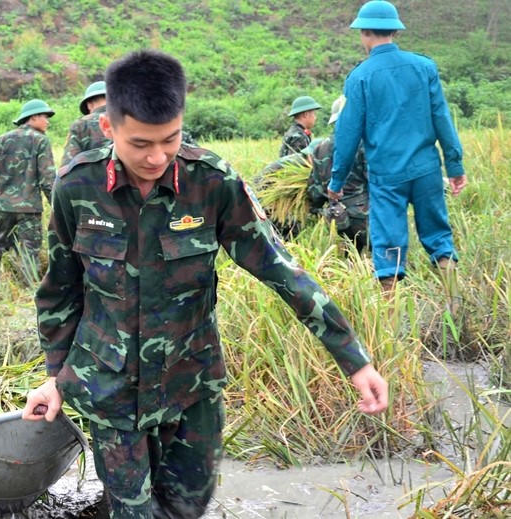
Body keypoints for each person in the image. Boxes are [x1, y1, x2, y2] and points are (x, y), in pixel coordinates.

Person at [22, 50, 388, 518]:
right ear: (109, 128)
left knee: (187, 507)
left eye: (169, 140)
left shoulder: (212, 182)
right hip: (108, 384)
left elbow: (281, 270)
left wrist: (353, 359)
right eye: (140, 144)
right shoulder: (75, 188)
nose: (156, 156)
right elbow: (60, 290)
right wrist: (54, 376)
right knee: (131, 512)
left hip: (190, 381)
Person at [329, 1, 465, 300]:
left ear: (364, 34)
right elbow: (442, 118)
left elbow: (347, 136)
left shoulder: (360, 77)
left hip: (387, 177)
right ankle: (456, 306)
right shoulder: (424, 67)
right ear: (394, 30)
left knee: (389, 246)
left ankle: (390, 326)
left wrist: (336, 182)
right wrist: (455, 167)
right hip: (427, 169)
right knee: (439, 238)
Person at [0, 99, 56, 281]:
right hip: (29, 209)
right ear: (33, 118)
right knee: (30, 249)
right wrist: (56, 205)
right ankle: (28, 287)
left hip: (3, 206)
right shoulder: (41, 141)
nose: (47, 121)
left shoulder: (2, 140)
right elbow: (48, 179)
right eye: (44, 117)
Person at [307, 95, 370, 252]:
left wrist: (320, 210)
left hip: (336, 218)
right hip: (365, 216)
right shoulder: (363, 144)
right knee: (386, 260)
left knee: (350, 260)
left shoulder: (320, 148)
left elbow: (315, 191)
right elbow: (378, 183)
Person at [60, 81, 111, 168]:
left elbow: (68, 166)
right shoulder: (127, 120)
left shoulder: (80, 124)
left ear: (89, 105)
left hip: (92, 180)